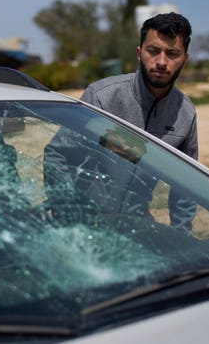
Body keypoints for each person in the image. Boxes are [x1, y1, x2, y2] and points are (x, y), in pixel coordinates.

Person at [80, 12, 197, 232]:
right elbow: (59, 156)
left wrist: (183, 238)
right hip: (87, 223)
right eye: (153, 51)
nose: (161, 62)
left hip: (136, 224)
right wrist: (67, 218)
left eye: (172, 53)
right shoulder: (101, 97)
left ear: (185, 59)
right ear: (139, 52)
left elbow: (185, 187)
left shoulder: (185, 113)